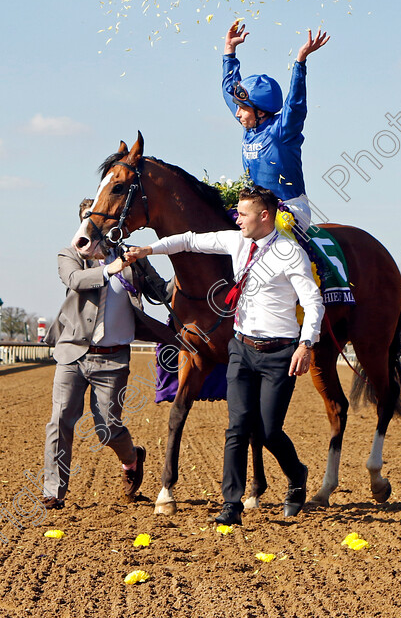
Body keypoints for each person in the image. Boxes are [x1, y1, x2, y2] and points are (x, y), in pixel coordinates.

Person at [127, 185, 324, 525]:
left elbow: (312, 300)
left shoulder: (291, 253)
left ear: (264, 216)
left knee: (268, 430)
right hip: (242, 349)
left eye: (243, 213)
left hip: (279, 353)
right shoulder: (236, 241)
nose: (237, 218)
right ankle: (230, 505)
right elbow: (188, 239)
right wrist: (149, 249)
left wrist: (306, 344)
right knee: (236, 428)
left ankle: (297, 475)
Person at [42, 199, 173, 511]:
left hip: (113, 359)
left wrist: (191, 269)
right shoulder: (70, 254)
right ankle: (53, 492)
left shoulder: (133, 256)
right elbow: (74, 280)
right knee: (60, 420)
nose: (97, 224)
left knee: (106, 428)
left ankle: (131, 458)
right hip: (73, 353)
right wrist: (112, 269)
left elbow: (161, 292)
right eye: (89, 219)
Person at [222, 20, 330, 229]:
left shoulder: (282, 130)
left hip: (290, 209)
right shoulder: (250, 121)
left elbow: (296, 103)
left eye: (242, 109)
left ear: (260, 112)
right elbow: (229, 88)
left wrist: (300, 61)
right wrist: (229, 50)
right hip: (257, 211)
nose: (237, 114)